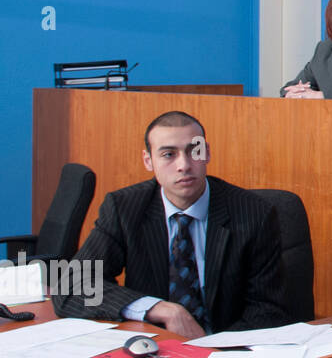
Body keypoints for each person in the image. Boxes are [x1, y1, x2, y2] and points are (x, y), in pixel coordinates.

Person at [53, 111, 289, 336]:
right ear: (148, 161)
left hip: (229, 352)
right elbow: (71, 286)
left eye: (193, 151)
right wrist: (157, 308)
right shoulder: (124, 208)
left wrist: (213, 347)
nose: (184, 165)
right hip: (155, 350)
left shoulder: (253, 212)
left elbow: (268, 310)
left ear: (206, 153)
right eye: (168, 154)